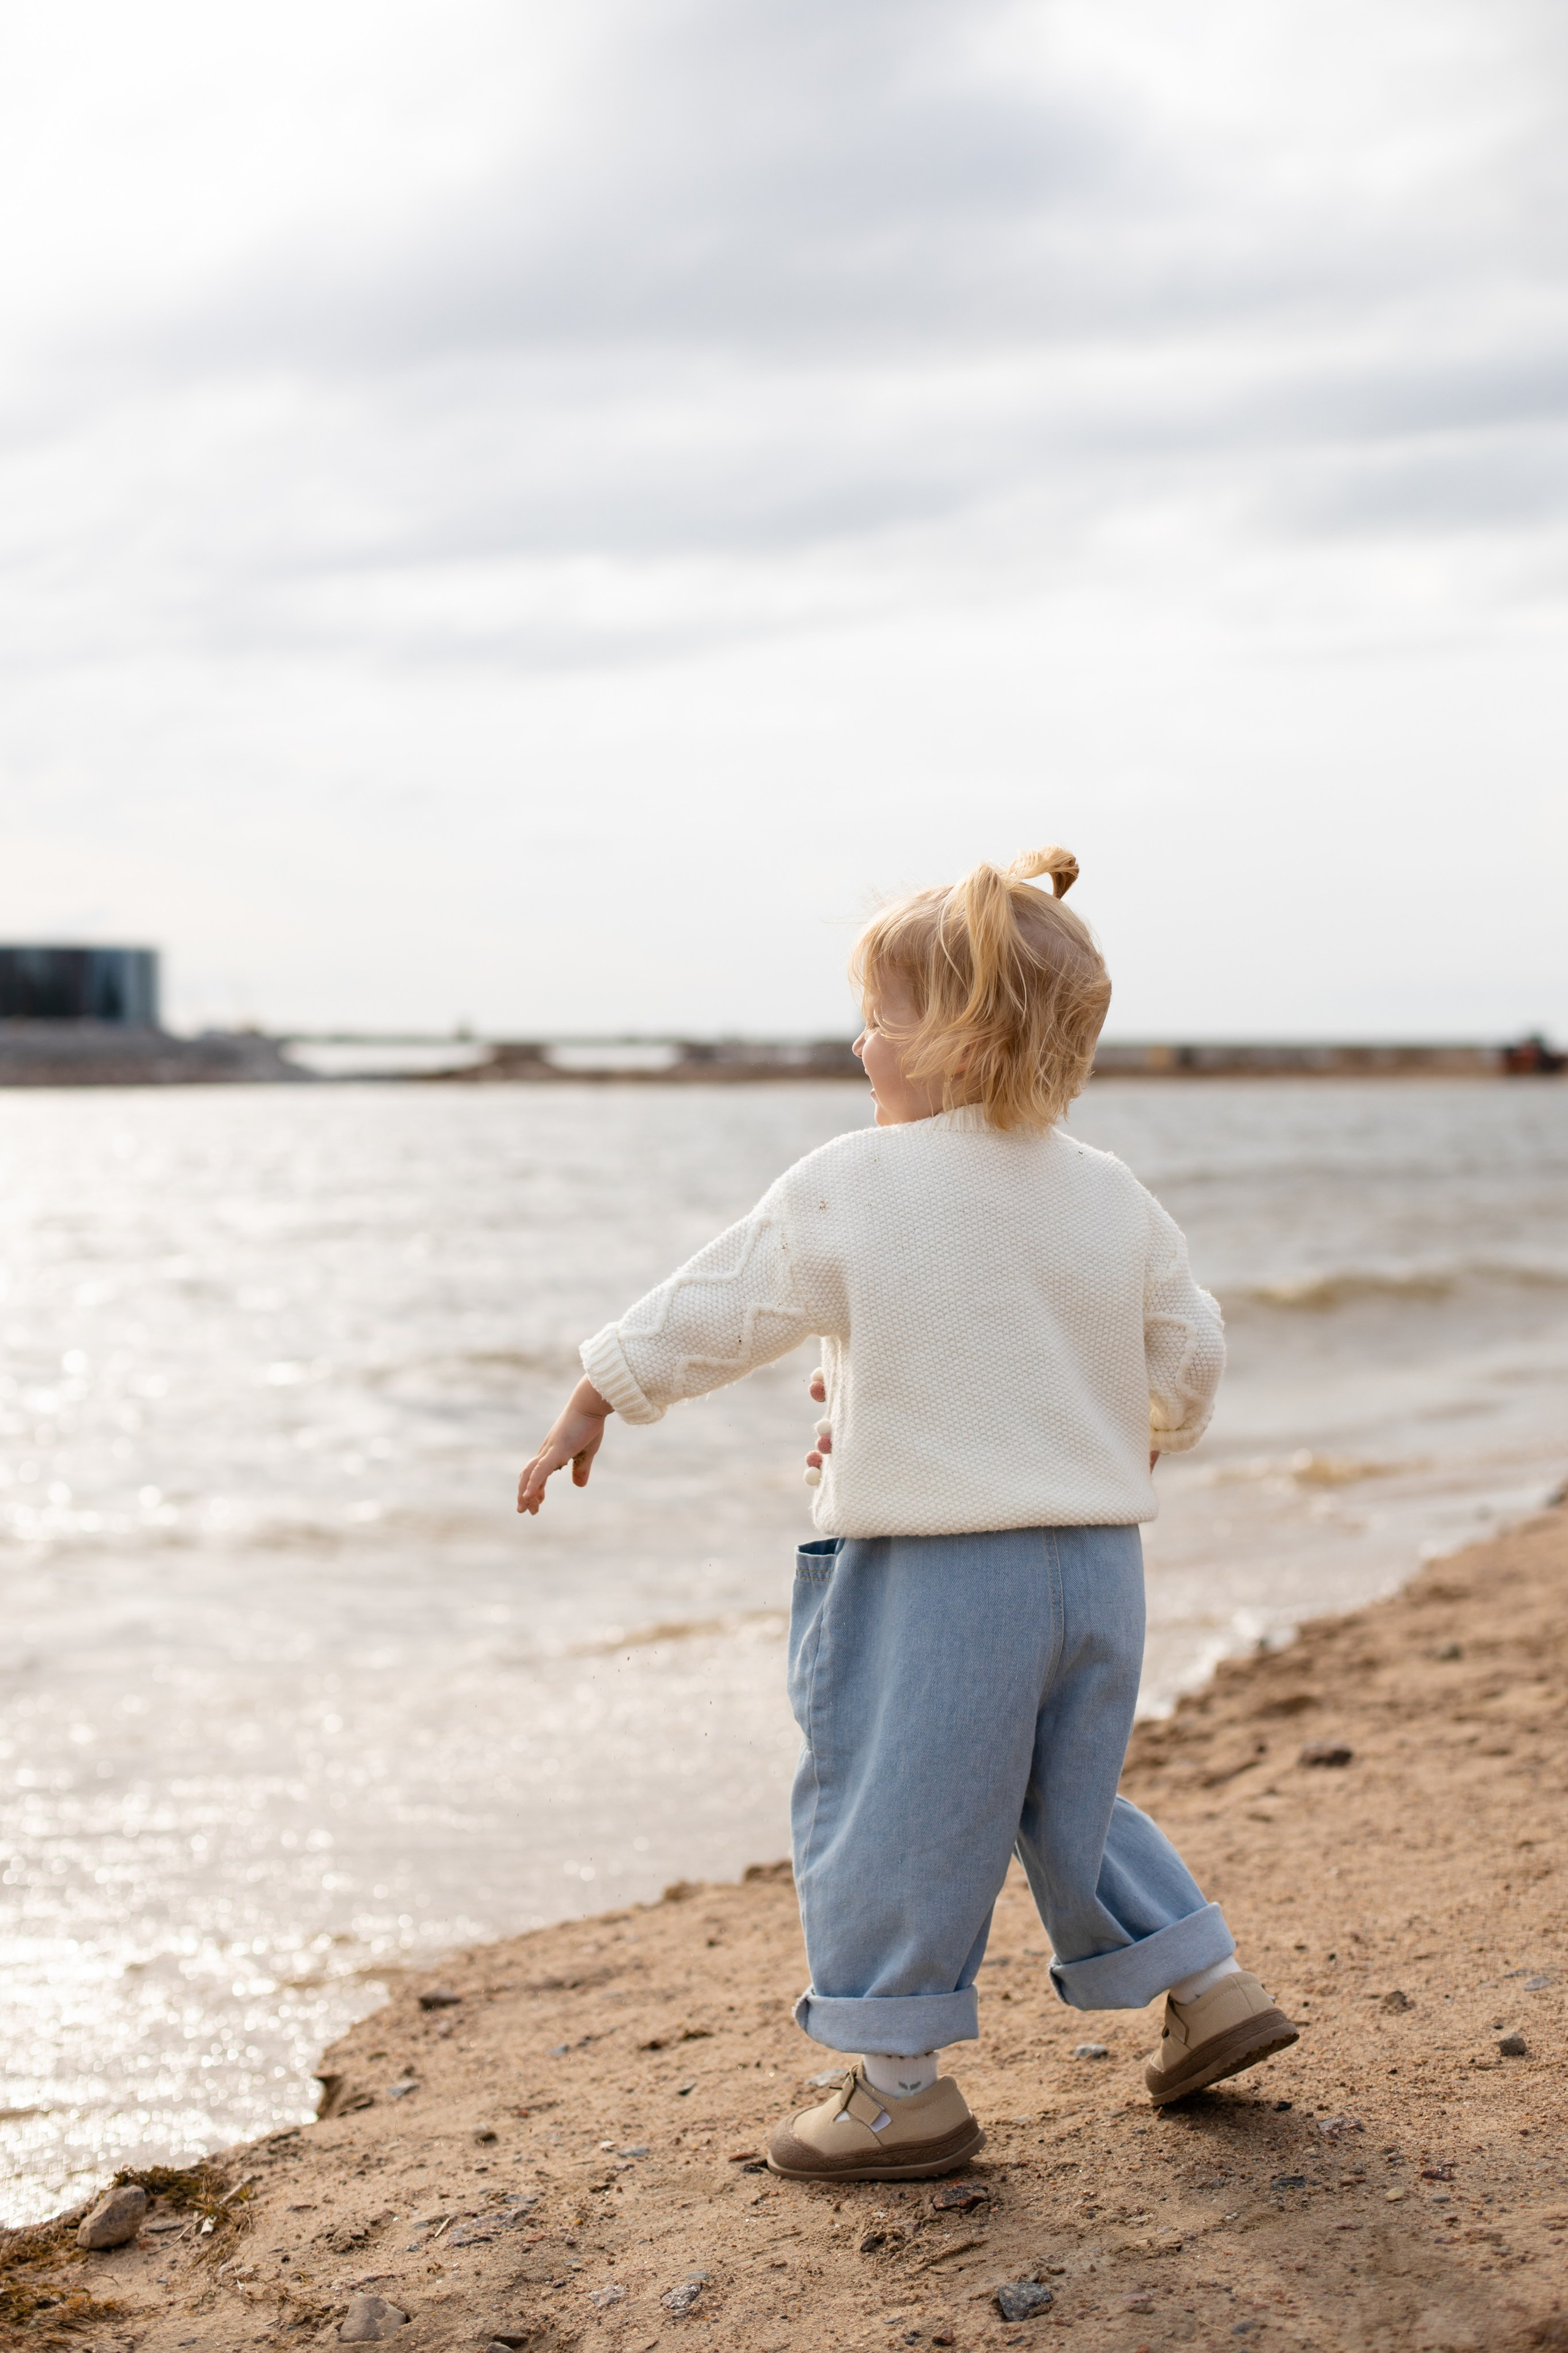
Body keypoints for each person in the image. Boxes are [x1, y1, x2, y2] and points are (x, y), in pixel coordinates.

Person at [517, 847, 1297, 2181]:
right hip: (1094, 1565)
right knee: (1070, 1794)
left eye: (879, 1018)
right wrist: (1133, 1437)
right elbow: (1188, 1346)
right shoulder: (1108, 1189)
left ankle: (896, 2088)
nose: (859, 1040)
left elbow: (723, 1304)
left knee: (889, 1802)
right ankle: (1204, 1986)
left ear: (961, 1035)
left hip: (930, 1574)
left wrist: (601, 1387)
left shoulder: (851, 1183)